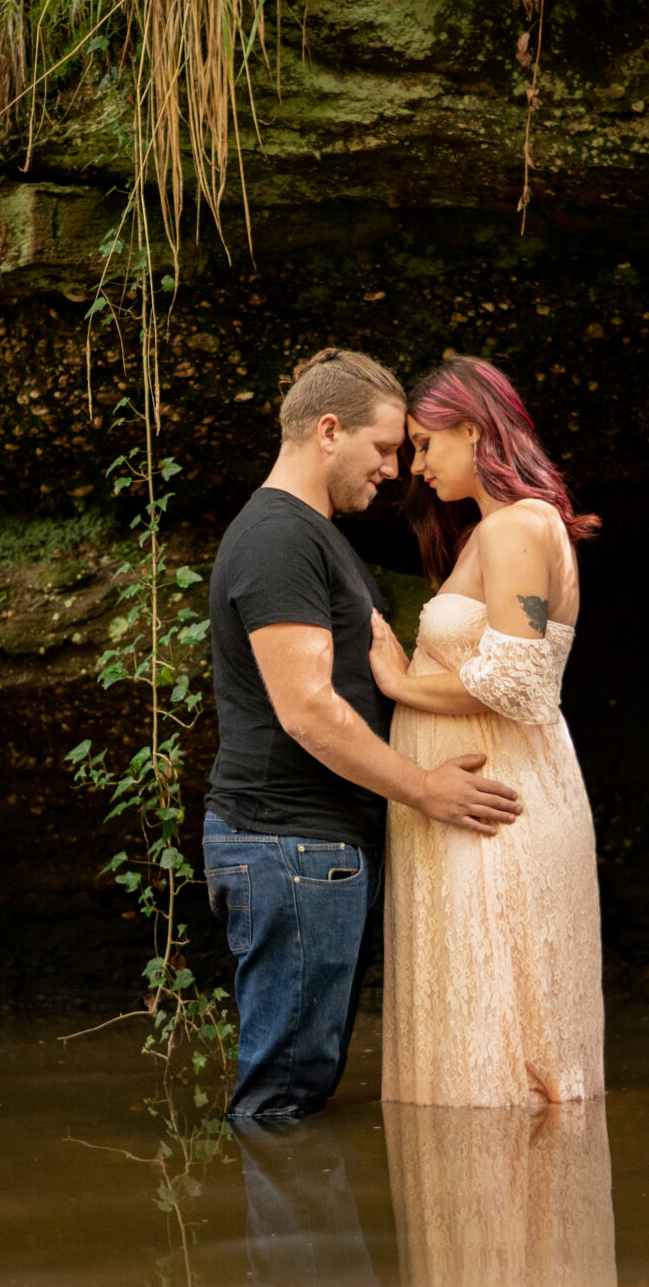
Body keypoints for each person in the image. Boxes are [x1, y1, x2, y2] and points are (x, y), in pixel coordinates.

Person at [204, 348, 525, 1121]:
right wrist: (425, 791)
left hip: (310, 851)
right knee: (283, 1099)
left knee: (302, 1088)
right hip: (289, 844)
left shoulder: (313, 536)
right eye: (383, 448)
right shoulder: (279, 538)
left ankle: (298, 1237)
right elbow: (307, 708)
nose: (395, 469)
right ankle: (278, 1236)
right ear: (327, 431)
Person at [369, 356, 605, 1107]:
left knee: (503, 1036)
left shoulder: (518, 527)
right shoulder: (492, 531)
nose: (416, 464)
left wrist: (402, 682)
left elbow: (522, 679)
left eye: (424, 443)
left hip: (500, 806)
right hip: (476, 805)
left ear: (472, 429)